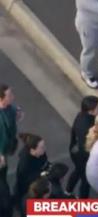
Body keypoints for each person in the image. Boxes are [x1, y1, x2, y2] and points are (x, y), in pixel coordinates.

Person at [66, 96, 98, 198]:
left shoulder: (81, 115)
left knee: (78, 171)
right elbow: (89, 144)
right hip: (83, 155)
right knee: (86, 179)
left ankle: (68, 191)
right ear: (91, 111)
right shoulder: (88, 126)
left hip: (75, 149)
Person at [15, 133, 49, 216]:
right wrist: (42, 174)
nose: (44, 148)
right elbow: (25, 181)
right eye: (41, 147)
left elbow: (45, 162)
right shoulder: (24, 164)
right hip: (28, 190)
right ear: (32, 150)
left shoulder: (41, 154)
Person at [0, 83, 21, 217]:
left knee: (3, 174)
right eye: (9, 95)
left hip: (5, 151)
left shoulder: (9, 109)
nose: (12, 97)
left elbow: (14, 110)